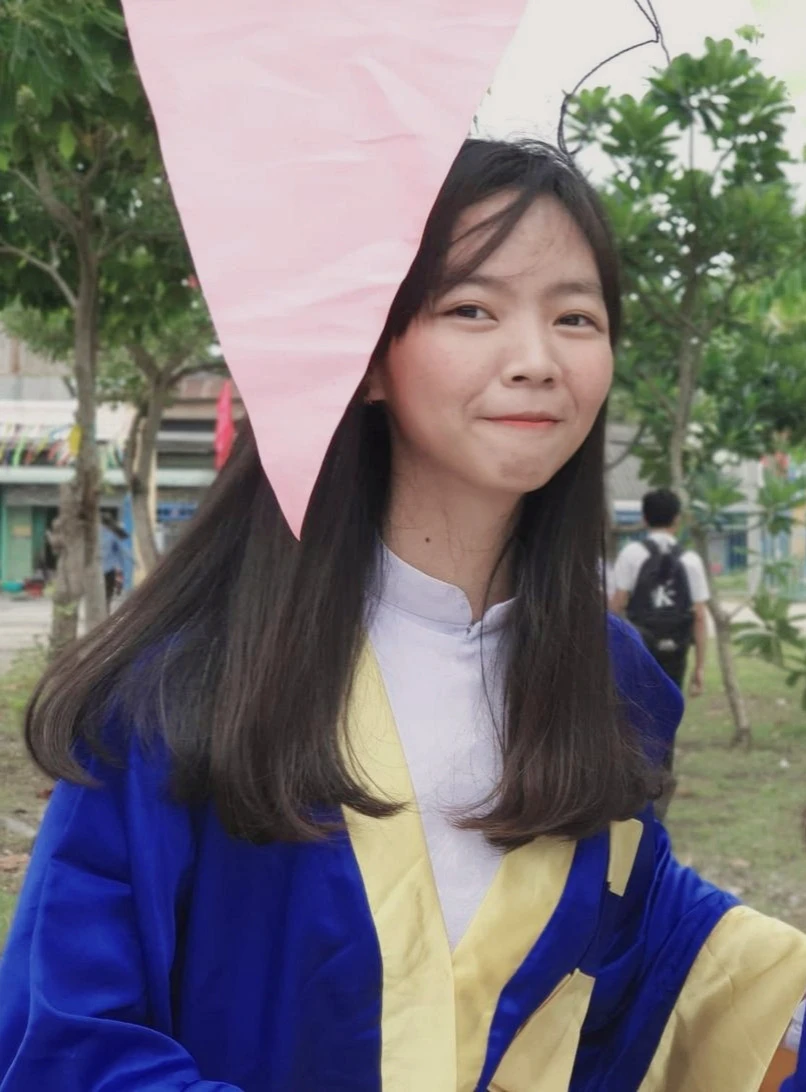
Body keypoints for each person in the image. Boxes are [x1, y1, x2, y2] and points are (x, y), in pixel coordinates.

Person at [0, 142, 804, 1091]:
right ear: (371, 360)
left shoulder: (611, 676)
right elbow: (68, 1045)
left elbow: (638, 939)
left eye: (575, 317)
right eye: (472, 309)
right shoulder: (183, 683)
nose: (537, 361)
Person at [610, 488, 709, 697]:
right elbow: (700, 616)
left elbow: (617, 605)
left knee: (635, 707)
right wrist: (699, 667)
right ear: (677, 519)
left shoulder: (631, 554)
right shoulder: (691, 560)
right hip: (675, 649)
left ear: (644, 519)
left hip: (638, 647)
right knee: (667, 706)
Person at [100, 512, 129, 614]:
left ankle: (105, 610)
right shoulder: (113, 532)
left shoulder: (108, 533)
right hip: (110, 567)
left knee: (104, 593)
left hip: (103, 568)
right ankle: (106, 610)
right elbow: (122, 547)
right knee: (108, 594)